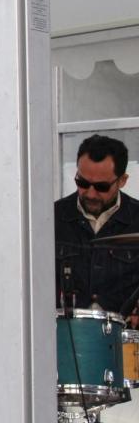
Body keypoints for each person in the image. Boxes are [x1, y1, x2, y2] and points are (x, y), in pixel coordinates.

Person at [55, 134, 139, 326]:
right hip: (62, 335)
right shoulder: (50, 218)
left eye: (102, 186)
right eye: (82, 183)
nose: (91, 193)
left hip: (124, 338)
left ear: (122, 180)